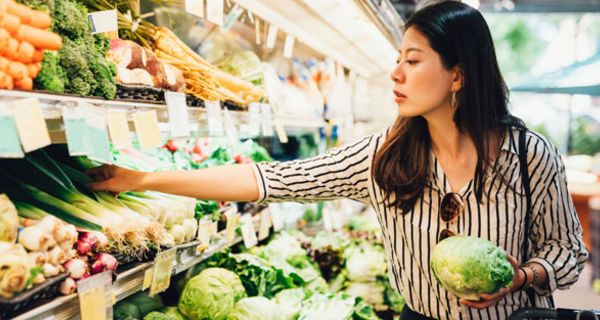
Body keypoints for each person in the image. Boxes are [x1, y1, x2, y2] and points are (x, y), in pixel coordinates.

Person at [87, 1, 588, 319]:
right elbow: (271, 179)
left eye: (412, 61)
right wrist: (144, 177)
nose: (396, 73)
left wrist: (520, 277)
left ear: (457, 75)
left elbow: (568, 251)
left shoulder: (528, 156)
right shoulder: (384, 158)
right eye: (397, 59)